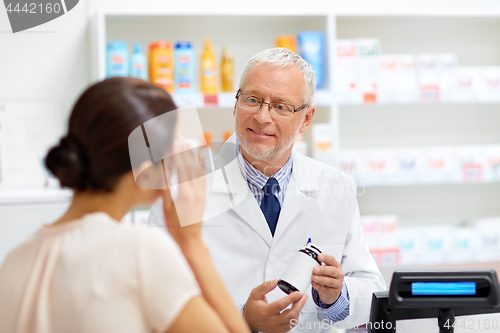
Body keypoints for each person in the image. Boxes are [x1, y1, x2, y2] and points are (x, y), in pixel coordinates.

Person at [148, 47, 386, 332]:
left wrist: (336, 297)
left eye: (281, 106)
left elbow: (371, 288)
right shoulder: (180, 190)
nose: (262, 117)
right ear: (235, 104)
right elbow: (155, 296)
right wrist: (241, 319)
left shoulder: (337, 188)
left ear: (306, 119)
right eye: (253, 100)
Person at [0, 78, 250, 333]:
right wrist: (192, 244)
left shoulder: (14, 261)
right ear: (144, 174)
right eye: (175, 148)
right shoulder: (140, 252)